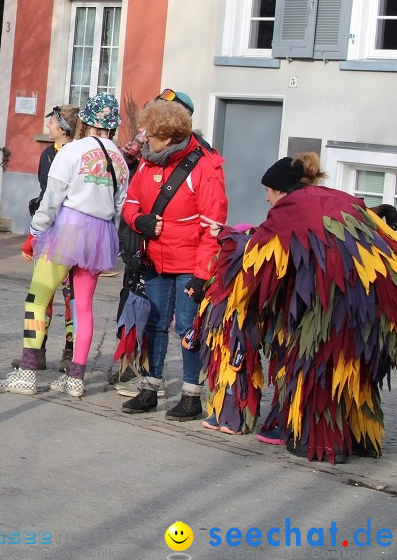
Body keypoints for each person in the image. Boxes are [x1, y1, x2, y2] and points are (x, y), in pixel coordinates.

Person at [198, 154, 397, 464]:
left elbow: (256, 257)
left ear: (280, 189)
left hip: (337, 302)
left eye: (268, 190)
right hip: (380, 301)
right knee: (353, 368)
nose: (266, 197)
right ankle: (361, 438)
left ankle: (323, 443)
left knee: (315, 363)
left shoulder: (291, 207)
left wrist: (226, 236)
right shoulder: (335, 198)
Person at [0, 93, 128, 398]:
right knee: (84, 308)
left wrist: (37, 231)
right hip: (100, 232)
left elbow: (53, 197)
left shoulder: (73, 151)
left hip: (68, 227)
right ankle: (75, 378)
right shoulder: (120, 159)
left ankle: (26, 373)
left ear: (87, 121)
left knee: (38, 298)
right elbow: (119, 206)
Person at [119, 99, 227, 419]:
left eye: (150, 134)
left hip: (190, 264)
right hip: (156, 260)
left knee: (187, 326)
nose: (144, 139)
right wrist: (140, 221)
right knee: (153, 323)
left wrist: (201, 274)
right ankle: (150, 388)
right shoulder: (149, 162)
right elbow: (130, 202)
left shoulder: (206, 167)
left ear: (167, 137)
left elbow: (214, 226)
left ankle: (192, 395)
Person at [14, 105, 80, 371]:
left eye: (52, 122)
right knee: (43, 295)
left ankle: (69, 351)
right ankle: (37, 351)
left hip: (70, 230)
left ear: (63, 127)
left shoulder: (77, 154)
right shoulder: (47, 154)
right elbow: (46, 191)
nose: (48, 127)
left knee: (70, 294)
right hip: (48, 230)